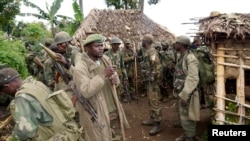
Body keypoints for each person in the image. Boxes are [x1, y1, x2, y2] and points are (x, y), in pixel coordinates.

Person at [0, 67, 83, 141]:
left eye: (3, 90)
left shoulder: (22, 97)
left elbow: (25, 131)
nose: (4, 93)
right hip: (69, 131)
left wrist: (13, 137)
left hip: (55, 136)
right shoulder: (35, 84)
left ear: (7, 86)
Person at [73, 34, 129, 141]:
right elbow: (86, 91)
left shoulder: (106, 59)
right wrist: (103, 75)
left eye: (101, 45)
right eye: (96, 46)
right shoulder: (80, 67)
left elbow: (114, 79)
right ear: (87, 48)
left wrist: (116, 80)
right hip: (98, 112)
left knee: (117, 137)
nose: (100, 48)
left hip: (113, 109)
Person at [173, 35, 200, 141]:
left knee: (188, 116)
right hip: (181, 91)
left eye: (176, 43)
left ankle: (189, 137)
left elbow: (193, 78)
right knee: (183, 115)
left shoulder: (190, 58)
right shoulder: (182, 56)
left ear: (181, 45)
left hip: (187, 93)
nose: (174, 45)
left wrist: (185, 95)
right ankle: (187, 134)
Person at [140, 34, 162, 136]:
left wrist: (155, 81)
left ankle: (157, 124)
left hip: (153, 83)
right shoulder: (147, 52)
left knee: (155, 102)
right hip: (149, 82)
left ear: (146, 42)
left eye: (143, 41)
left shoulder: (152, 53)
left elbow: (157, 68)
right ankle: (152, 119)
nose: (141, 42)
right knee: (150, 101)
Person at [104, 36, 129, 103]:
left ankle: (119, 103)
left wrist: (125, 77)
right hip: (111, 77)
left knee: (119, 91)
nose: (117, 46)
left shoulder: (120, 53)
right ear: (112, 45)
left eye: (118, 44)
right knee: (112, 93)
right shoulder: (106, 54)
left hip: (119, 75)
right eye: (116, 45)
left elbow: (122, 66)